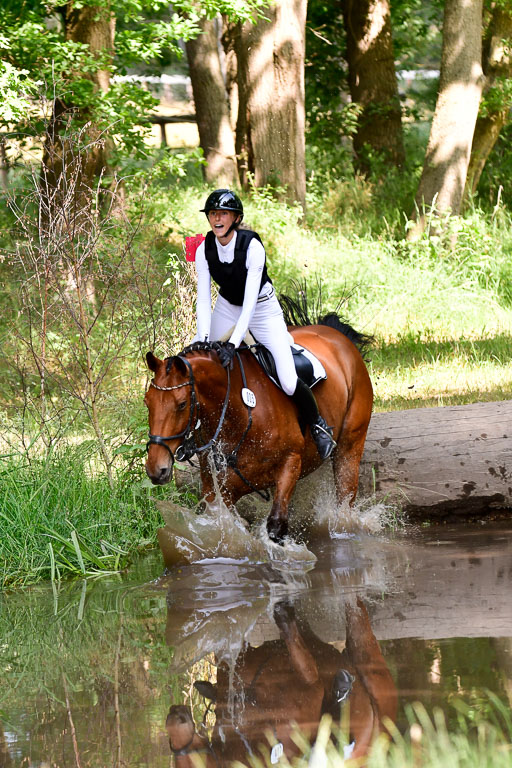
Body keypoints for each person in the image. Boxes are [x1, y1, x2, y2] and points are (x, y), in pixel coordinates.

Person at [194, 188, 336, 461]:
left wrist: (233, 344)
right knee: (202, 366)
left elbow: (249, 302)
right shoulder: (203, 248)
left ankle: (319, 426)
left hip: (261, 309)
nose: (216, 219)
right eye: (213, 214)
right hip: (226, 306)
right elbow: (202, 299)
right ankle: (207, 435)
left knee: (288, 380)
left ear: (236, 218)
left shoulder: (252, 247)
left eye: (223, 213)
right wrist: (203, 341)